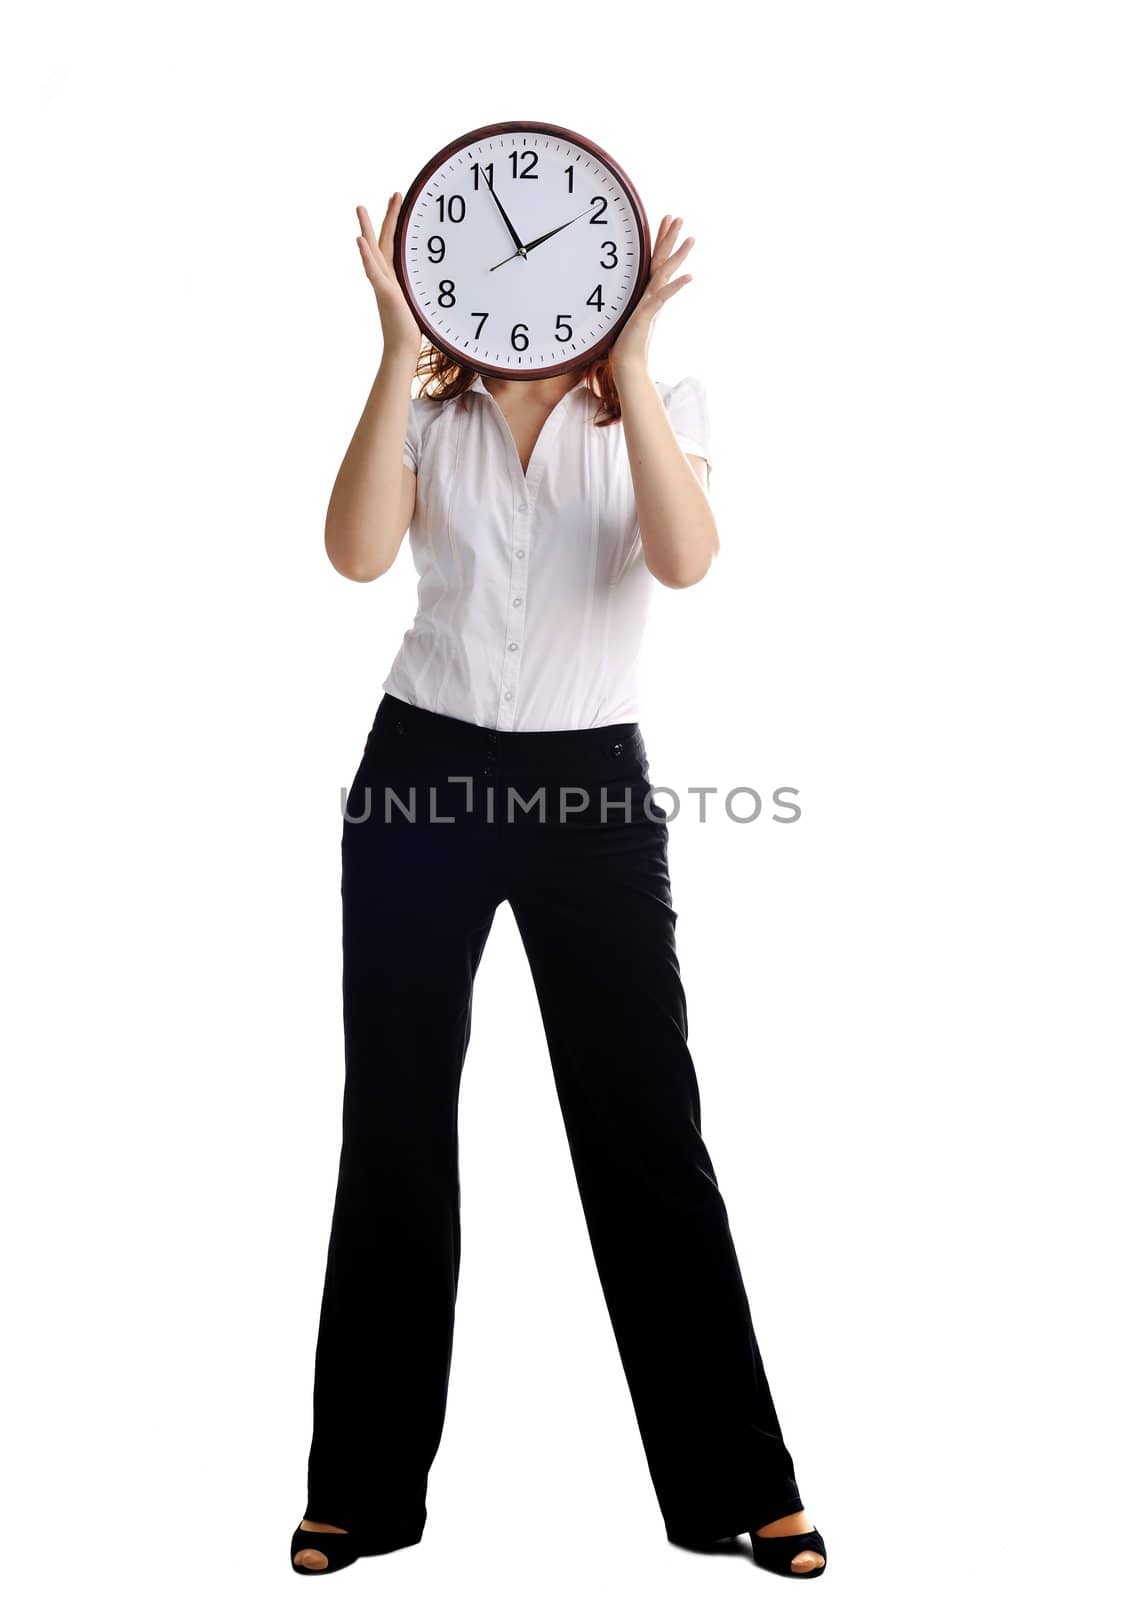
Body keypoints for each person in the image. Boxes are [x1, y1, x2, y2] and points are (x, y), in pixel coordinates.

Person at [290, 194, 827, 1581]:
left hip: (588, 794)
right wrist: (388, 350)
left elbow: (684, 560)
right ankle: (358, 1492)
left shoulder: (661, 397)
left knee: (646, 1132)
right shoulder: (429, 411)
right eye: (476, 251)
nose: (512, 277)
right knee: (396, 1127)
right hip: (421, 780)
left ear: (610, 270)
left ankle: (739, 1485)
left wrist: (634, 367)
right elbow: (354, 556)